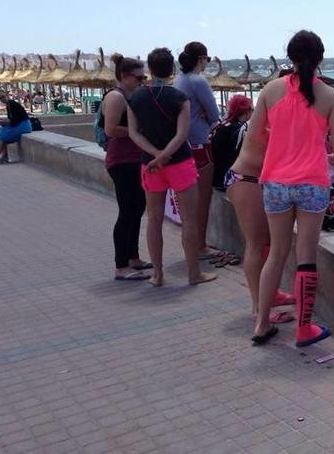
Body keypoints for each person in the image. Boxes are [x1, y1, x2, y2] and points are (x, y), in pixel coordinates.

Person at [250, 30, 334, 347]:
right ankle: (304, 328)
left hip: (276, 183)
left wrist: (282, 143)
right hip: (312, 183)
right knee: (306, 255)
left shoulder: (270, 90)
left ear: (290, 58)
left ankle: (261, 323)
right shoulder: (332, 97)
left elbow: (254, 134)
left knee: (276, 254)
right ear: (320, 58)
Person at [126, 47, 217, 288]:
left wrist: (155, 155)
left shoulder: (135, 97)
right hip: (180, 162)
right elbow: (182, 133)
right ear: (172, 69)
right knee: (189, 219)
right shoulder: (179, 98)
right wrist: (166, 154)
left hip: (150, 165)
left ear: (149, 68)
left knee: (154, 219)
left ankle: (157, 274)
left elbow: (134, 133)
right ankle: (193, 273)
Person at [223, 94, 296, 324]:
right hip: (245, 180)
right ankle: (257, 307)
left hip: (254, 180)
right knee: (256, 243)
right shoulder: (266, 125)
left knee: (266, 243)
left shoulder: (270, 120)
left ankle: (270, 295)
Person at [103, 54, 152, 281]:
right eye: (139, 78)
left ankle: (133, 257)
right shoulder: (116, 97)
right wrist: (137, 131)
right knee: (127, 211)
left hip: (133, 159)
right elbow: (111, 129)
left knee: (137, 208)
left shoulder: (129, 95)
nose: (142, 82)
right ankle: (121, 265)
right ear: (124, 76)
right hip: (121, 161)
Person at [174, 41, 221, 261]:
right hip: (201, 143)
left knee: (189, 202)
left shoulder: (179, 80)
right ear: (201, 59)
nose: (207, 64)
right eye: (207, 60)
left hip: (184, 144)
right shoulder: (198, 80)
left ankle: (194, 244)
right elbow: (214, 115)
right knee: (203, 199)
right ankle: (200, 246)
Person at [0, 90, 32, 165]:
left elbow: (14, 119)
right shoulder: (9, 105)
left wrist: (2, 122)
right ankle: (4, 156)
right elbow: (11, 119)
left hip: (23, 125)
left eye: (3, 96)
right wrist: (1, 122)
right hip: (19, 124)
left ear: (7, 95)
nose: (3, 98)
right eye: (1, 98)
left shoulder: (12, 104)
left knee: (2, 136)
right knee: (0, 132)